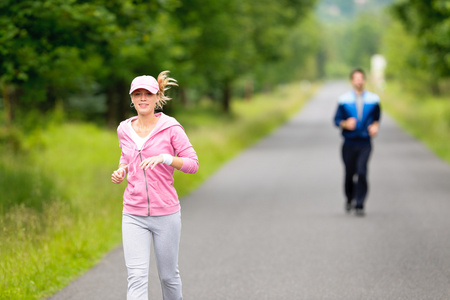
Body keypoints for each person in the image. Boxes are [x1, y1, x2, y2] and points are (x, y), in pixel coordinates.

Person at [111, 71, 198, 299]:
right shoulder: (124, 129)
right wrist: (122, 170)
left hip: (165, 213)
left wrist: (166, 158)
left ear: (156, 96)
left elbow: (193, 164)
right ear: (131, 98)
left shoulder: (171, 127)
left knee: (168, 277)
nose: (142, 99)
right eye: (137, 94)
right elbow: (126, 157)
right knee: (137, 277)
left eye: (147, 94)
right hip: (133, 213)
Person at [333, 68, 381, 216]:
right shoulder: (344, 100)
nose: (359, 81)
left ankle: (360, 203)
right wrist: (345, 124)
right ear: (352, 81)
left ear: (364, 80)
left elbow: (376, 119)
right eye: (356, 78)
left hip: (365, 143)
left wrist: (374, 127)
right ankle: (349, 198)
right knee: (349, 173)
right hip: (349, 142)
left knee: (362, 171)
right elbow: (336, 120)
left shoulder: (373, 100)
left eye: (361, 78)